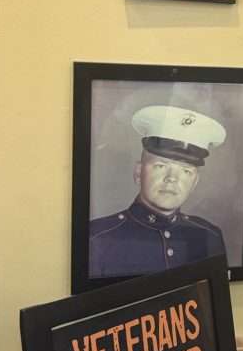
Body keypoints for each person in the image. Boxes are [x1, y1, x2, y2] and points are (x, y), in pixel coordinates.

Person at [89, 104, 227, 278]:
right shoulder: (97, 238)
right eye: (161, 166)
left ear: (194, 182)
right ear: (138, 172)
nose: (172, 178)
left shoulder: (209, 236)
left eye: (186, 171)